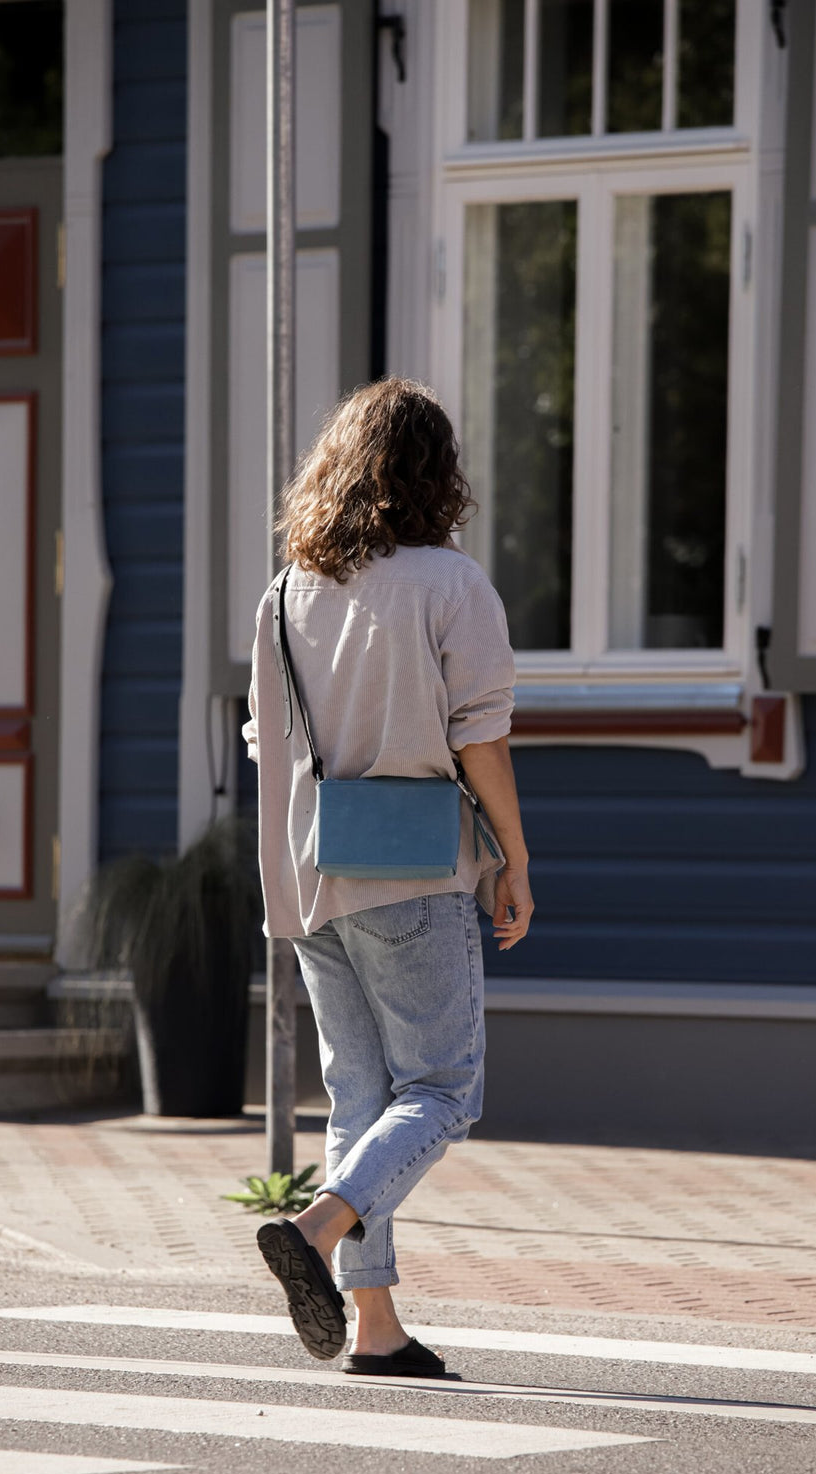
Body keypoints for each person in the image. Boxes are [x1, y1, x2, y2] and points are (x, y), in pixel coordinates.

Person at [243, 377, 533, 1378]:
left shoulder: (286, 592)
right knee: (444, 1088)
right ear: (435, 474)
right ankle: (318, 1225)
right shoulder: (451, 584)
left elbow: (266, 741)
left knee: (359, 1095)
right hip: (410, 871)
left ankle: (374, 1325)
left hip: (309, 872)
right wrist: (513, 856)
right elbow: (481, 736)